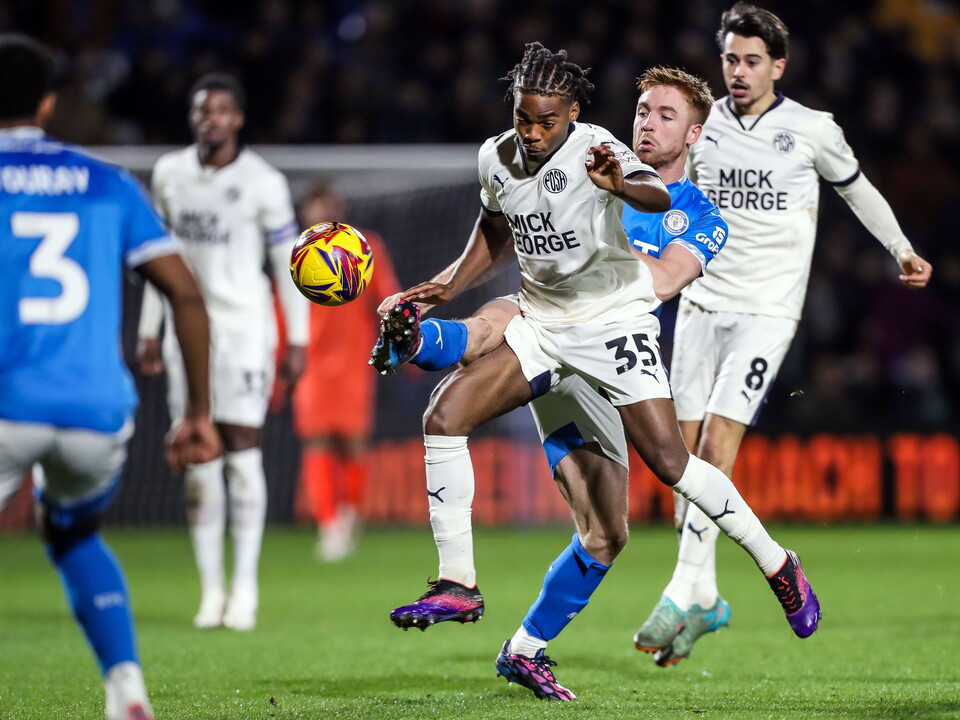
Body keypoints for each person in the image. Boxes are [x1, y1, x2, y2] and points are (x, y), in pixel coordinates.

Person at [375, 43, 819, 700]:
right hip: (542, 322)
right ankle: (457, 583)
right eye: (644, 108)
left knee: (665, 470)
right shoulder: (498, 157)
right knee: (445, 411)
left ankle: (777, 563)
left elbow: (655, 213)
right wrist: (442, 284)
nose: (531, 132)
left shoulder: (623, 167)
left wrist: (618, 187)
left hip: (614, 327)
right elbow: (496, 229)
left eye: (666, 114)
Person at [633, 2, 933, 667]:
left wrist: (900, 248)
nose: (738, 73)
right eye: (730, 60)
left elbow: (857, 190)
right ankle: (707, 596)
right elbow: (664, 192)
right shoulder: (701, 131)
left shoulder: (811, 130)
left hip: (767, 312)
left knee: (717, 441)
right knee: (680, 464)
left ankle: (682, 589)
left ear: (778, 66)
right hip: (701, 303)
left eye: (751, 62)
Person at [0, 34, 220, 720]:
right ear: (46, 102)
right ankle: (125, 686)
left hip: (7, 405)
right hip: (97, 414)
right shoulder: (107, 182)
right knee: (72, 534)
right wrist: (198, 413)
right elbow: (185, 293)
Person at [137, 73, 309, 631]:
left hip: (243, 330)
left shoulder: (264, 182)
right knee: (198, 457)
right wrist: (149, 327)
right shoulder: (169, 174)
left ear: (238, 119)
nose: (209, 118)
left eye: (220, 110)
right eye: (200, 109)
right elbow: (155, 258)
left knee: (242, 450)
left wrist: (298, 337)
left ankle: (246, 587)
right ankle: (211, 591)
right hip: (186, 334)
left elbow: (290, 265)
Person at [291, 183, 401, 560]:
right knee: (318, 441)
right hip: (311, 363)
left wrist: (401, 335)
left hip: (354, 361)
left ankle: (350, 515)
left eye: (328, 204)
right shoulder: (293, 254)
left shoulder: (364, 247)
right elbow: (281, 308)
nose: (320, 211)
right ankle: (329, 526)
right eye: (314, 204)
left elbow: (387, 295)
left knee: (353, 444)